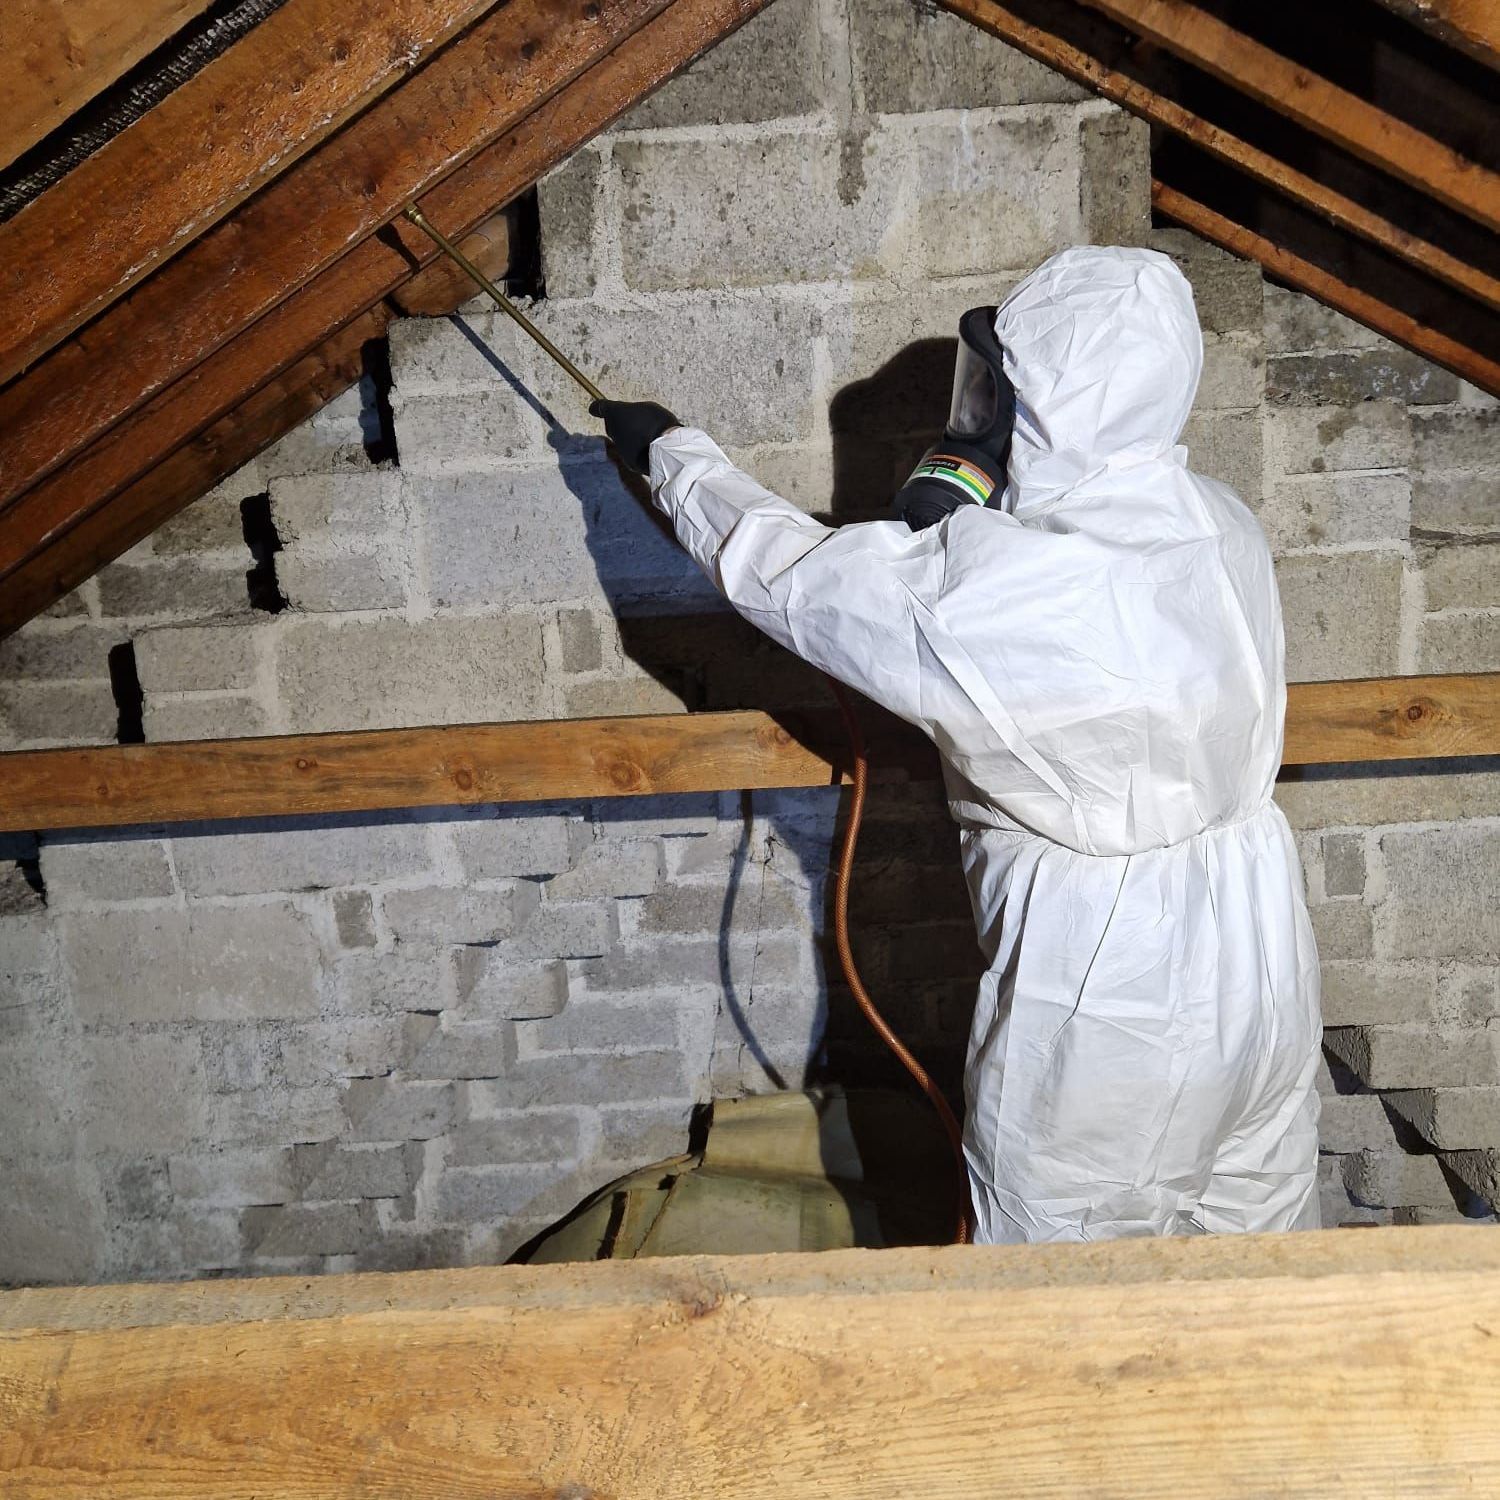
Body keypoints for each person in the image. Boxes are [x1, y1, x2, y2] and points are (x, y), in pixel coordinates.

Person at [590, 245, 1322, 1243]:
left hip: (1109, 988)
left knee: (1054, 1283)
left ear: (1056, 402)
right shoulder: (1218, 521)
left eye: (1004, 389)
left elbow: (792, 576)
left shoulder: (997, 586)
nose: (983, 415)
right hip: (1261, 943)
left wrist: (671, 455)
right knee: (1262, 1259)